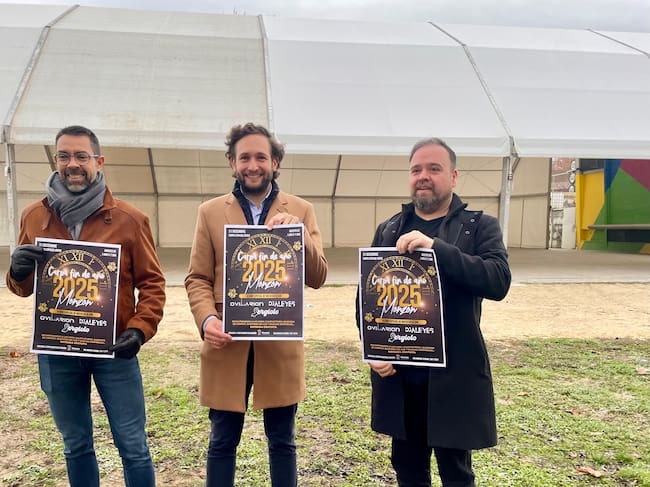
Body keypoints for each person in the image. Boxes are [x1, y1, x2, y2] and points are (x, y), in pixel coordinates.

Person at [6, 125, 166, 487]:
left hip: (114, 351)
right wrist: (17, 272)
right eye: (64, 156)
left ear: (99, 161)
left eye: (81, 156)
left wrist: (139, 330)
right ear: (56, 160)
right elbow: (23, 288)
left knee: (133, 445)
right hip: (57, 351)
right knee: (75, 444)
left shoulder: (130, 219)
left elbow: (153, 284)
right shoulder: (34, 216)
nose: (72, 164)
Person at [358, 137, 511, 487]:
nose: (423, 176)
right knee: (408, 470)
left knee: (456, 473)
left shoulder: (478, 226)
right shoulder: (389, 229)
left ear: (454, 177)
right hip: (401, 377)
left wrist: (436, 249)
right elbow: (366, 296)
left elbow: (498, 280)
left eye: (434, 168)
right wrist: (372, 350)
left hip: (452, 377)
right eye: (416, 170)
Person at [185, 122, 328, 487]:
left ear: (275, 163)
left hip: (279, 346)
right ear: (232, 163)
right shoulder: (209, 212)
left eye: (261, 157)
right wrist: (207, 319)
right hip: (226, 344)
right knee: (222, 441)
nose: (253, 165)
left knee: (282, 441)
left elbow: (318, 276)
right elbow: (197, 278)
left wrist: (298, 235)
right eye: (244, 157)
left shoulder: (301, 210)